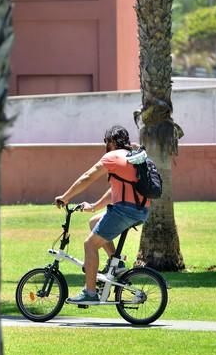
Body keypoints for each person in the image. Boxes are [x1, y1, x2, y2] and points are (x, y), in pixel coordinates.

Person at [54, 125, 150, 304]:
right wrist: (94, 206)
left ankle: (90, 292)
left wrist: (65, 197)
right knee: (94, 222)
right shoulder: (133, 157)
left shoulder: (112, 156)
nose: (106, 145)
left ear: (111, 142)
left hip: (124, 211)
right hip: (140, 210)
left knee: (90, 245)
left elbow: (87, 177)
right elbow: (116, 189)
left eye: (106, 142)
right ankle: (118, 264)